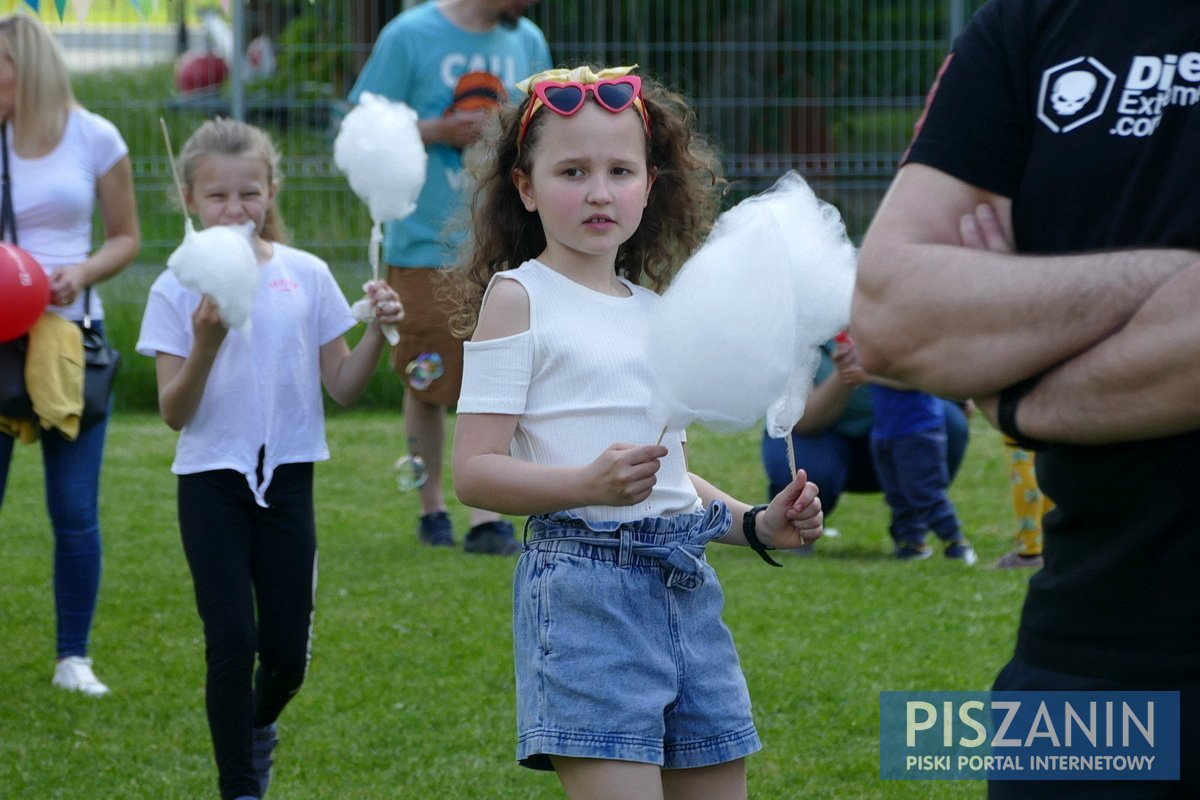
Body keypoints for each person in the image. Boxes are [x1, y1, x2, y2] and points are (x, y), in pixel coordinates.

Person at [449, 64, 824, 799]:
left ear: (651, 184)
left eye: (620, 170)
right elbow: (475, 471)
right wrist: (583, 484)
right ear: (524, 187)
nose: (598, 191)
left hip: (686, 589)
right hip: (585, 595)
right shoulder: (518, 297)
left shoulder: (658, 313)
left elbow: (671, 481)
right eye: (572, 170)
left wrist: (755, 524)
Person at [852, 0, 1200, 794]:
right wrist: (1173, 284)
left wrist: (1015, 396)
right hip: (1081, 664)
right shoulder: (1032, 23)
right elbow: (891, 318)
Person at [135, 118, 403, 800]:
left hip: (289, 478)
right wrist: (205, 341)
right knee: (231, 638)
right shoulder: (175, 287)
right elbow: (173, 411)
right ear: (190, 199)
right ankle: (240, 787)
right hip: (210, 480)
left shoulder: (305, 274)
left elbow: (342, 387)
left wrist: (377, 328)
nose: (235, 209)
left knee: (284, 658)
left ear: (271, 191)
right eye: (218, 197)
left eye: (249, 193)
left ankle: (255, 727)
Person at [347, 0, 551, 555]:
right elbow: (360, 126)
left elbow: (546, 132)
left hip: (505, 242)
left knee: (500, 377)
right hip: (422, 243)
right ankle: (432, 506)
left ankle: (488, 515)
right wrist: (439, 128)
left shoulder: (527, 40)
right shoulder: (408, 36)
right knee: (427, 377)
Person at [0, 13, 139, 697]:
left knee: (75, 509)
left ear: (24, 68)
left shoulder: (94, 136)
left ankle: (72, 658)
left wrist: (79, 274)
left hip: (70, 340)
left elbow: (125, 237)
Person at [760, 337, 969, 549]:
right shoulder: (799, 329)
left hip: (895, 432)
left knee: (944, 421)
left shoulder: (891, 318)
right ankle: (796, 527)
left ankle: (912, 530)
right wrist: (847, 372)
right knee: (800, 458)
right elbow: (803, 422)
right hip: (820, 437)